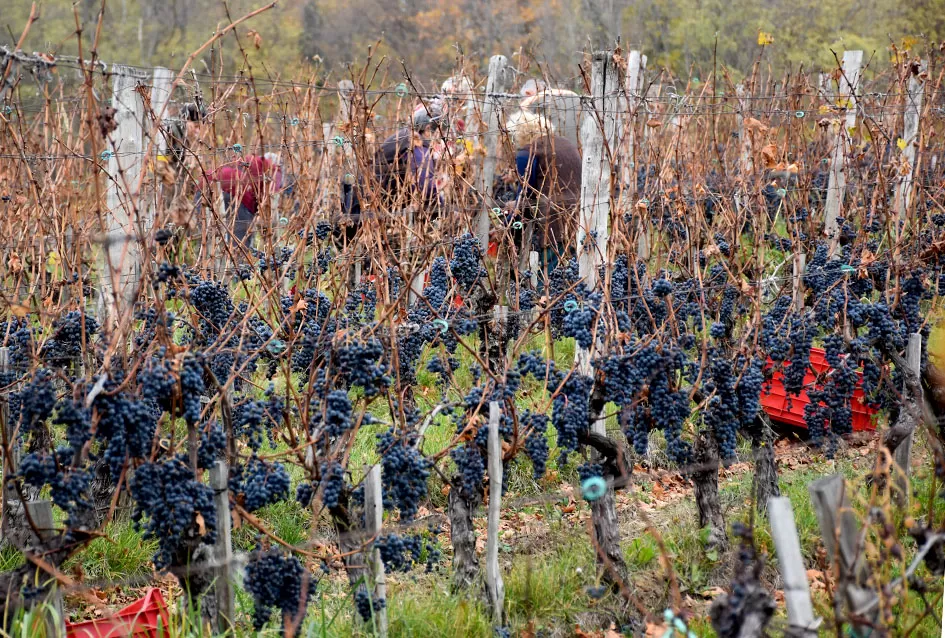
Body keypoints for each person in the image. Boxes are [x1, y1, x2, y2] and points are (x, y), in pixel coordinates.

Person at [340, 103, 441, 236]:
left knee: (348, 245)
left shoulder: (404, 137)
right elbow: (426, 187)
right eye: (440, 131)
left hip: (364, 201)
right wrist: (440, 212)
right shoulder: (416, 145)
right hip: (365, 208)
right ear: (428, 129)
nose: (441, 138)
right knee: (351, 244)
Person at [506, 110, 581, 274]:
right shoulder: (566, 144)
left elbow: (525, 194)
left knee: (548, 278)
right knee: (571, 272)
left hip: (551, 220)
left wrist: (508, 225)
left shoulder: (528, 152)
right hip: (579, 217)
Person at [198, 154, 280, 249]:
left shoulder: (246, 160)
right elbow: (267, 198)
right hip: (235, 190)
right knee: (239, 240)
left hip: (204, 184)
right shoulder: (271, 170)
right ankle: (238, 260)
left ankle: (203, 261)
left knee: (205, 236)